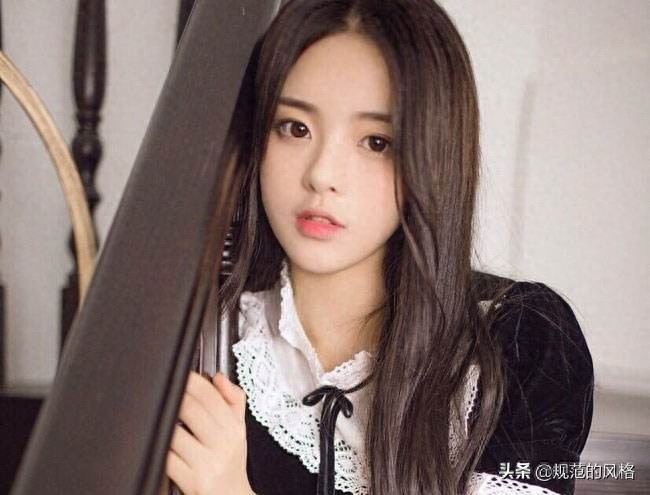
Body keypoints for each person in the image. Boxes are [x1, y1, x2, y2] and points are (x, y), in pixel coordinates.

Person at [164, 1, 594, 494]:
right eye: (295, 128)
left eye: (375, 142)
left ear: (431, 157)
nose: (322, 174)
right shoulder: (213, 336)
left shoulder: (517, 343)